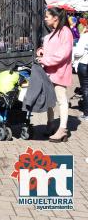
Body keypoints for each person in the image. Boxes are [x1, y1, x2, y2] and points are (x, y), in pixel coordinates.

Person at [36, 7, 73, 142]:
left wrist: (45, 60)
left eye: (47, 16)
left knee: (61, 100)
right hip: (49, 71)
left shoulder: (65, 32)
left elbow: (63, 54)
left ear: (55, 18)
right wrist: (41, 51)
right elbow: (49, 48)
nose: (45, 19)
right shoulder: (53, 32)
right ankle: (50, 124)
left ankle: (63, 129)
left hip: (60, 71)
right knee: (50, 100)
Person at [73, 24, 88, 121]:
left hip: (84, 64)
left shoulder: (85, 37)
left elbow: (78, 52)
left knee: (86, 89)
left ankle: (86, 114)